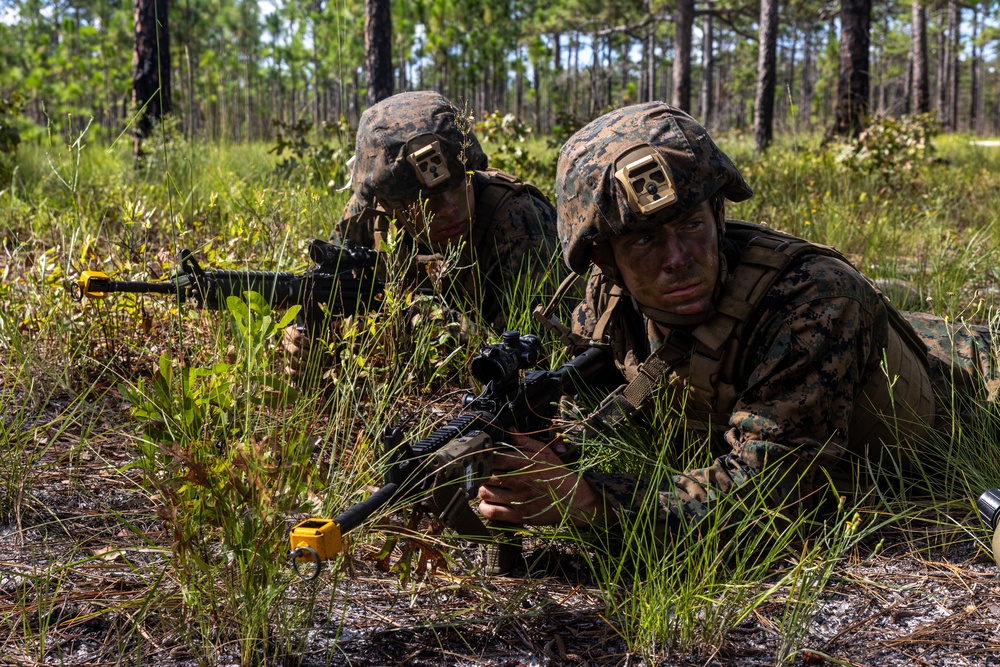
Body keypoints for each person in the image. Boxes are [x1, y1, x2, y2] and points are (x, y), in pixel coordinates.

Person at [477, 102, 998, 536]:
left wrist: (597, 502)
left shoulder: (815, 298)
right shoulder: (606, 304)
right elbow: (588, 425)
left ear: (717, 215)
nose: (678, 258)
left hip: (973, 386)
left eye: (690, 225)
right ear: (603, 259)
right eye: (643, 240)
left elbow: (777, 485)